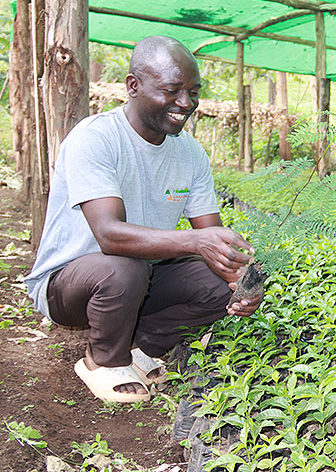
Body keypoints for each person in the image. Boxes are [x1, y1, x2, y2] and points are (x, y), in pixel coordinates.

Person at [24, 36, 262, 403]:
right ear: (133, 86)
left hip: (141, 279)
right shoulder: (96, 139)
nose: (186, 103)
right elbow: (108, 235)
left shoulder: (191, 154)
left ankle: (141, 344)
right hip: (71, 284)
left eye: (193, 91)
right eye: (172, 90)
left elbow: (212, 235)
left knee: (216, 284)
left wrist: (242, 279)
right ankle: (103, 360)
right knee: (124, 268)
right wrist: (196, 242)